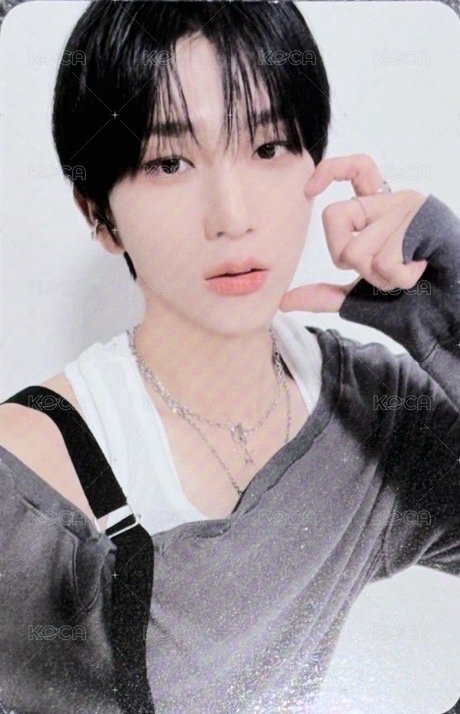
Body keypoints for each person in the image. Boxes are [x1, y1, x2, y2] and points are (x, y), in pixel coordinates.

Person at [0, 2, 459, 712]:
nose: (234, 216)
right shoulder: (28, 479)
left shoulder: (375, 410)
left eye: (269, 147)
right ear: (98, 214)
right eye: (169, 162)